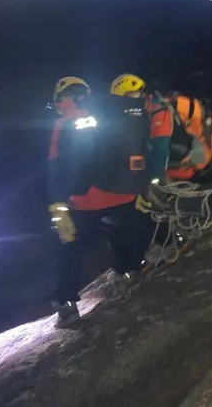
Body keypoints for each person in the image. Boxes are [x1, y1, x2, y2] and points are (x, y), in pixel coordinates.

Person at [48, 76, 148, 326]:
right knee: (119, 232)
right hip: (120, 192)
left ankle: (66, 302)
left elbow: (56, 165)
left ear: (63, 98)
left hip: (82, 199)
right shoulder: (107, 114)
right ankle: (129, 271)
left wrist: (56, 203)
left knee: (70, 247)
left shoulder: (63, 123)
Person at [108, 74, 212, 214]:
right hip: (191, 154)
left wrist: (154, 183)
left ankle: (167, 193)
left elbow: (160, 147)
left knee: (150, 157)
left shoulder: (158, 109)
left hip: (188, 161)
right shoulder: (149, 107)